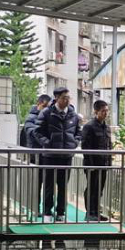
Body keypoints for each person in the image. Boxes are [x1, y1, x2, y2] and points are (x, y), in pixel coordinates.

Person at [33, 88, 81, 223]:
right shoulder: (46, 113)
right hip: (50, 156)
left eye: (68, 97)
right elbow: (37, 132)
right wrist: (47, 144)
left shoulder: (73, 114)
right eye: (64, 98)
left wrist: (74, 143)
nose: (67, 100)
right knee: (49, 186)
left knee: (63, 186)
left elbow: (78, 132)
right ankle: (47, 212)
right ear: (56, 98)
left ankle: (61, 212)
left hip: (66, 156)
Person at [80, 100, 112, 222]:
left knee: (99, 189)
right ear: (96, 112)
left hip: (103, 164)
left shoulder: (106, 128)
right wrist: (90, 165)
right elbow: (86, 147)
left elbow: (109, 145)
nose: (105, 113)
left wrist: (109, 163)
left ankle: (96, 212)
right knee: (92, 188)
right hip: (92, 164)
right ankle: (89, 213)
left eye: (107, 111)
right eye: (103, 111)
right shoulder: (89, 126)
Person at [22, 93, 51, 211]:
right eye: (44, 106)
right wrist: (46, 138)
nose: (46, 109)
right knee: (36, 183)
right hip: (35, 155)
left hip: (46, 155)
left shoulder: (48, 117)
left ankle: (46, 209)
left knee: (48, 183)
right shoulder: (31, 118)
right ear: (39, 104)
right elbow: (32, 132)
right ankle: (35, 207)